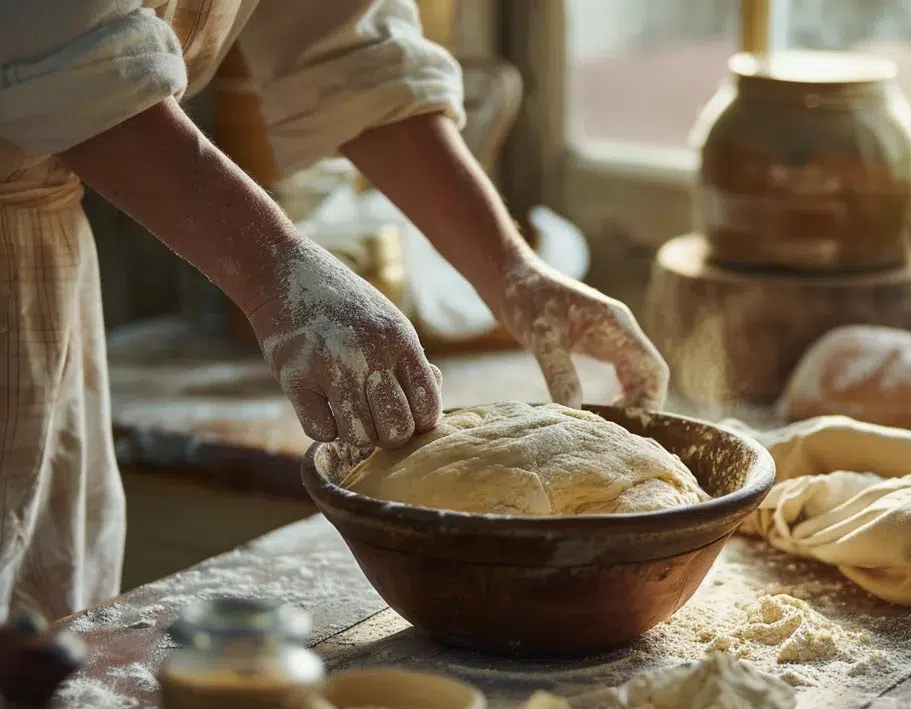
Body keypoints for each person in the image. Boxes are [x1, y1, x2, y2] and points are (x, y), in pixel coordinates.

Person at [0, 0, 669, 621]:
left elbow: (349, 46)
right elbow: (59, 48)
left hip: (46, 283)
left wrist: (513, 271)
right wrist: (275, 270)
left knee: (38, 662)